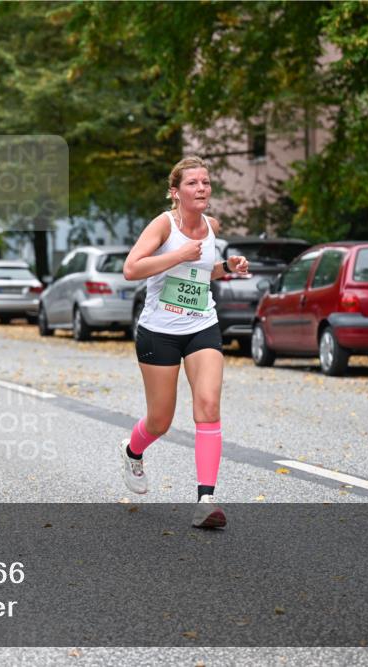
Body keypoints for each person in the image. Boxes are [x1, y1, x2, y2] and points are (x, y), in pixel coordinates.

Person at [119, 155, 249, 529]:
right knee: (160, 420)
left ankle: (206, 500)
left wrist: (229, 268)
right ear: (175, 192)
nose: (202, 188)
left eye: (206, 182)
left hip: (201, 326)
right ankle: (133, 452)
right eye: (193, 183)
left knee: (208, 405)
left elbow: (203, 271)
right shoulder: (163, 225)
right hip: (159, 330)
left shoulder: (212, 226)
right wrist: (177, 253)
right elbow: (131, 269)